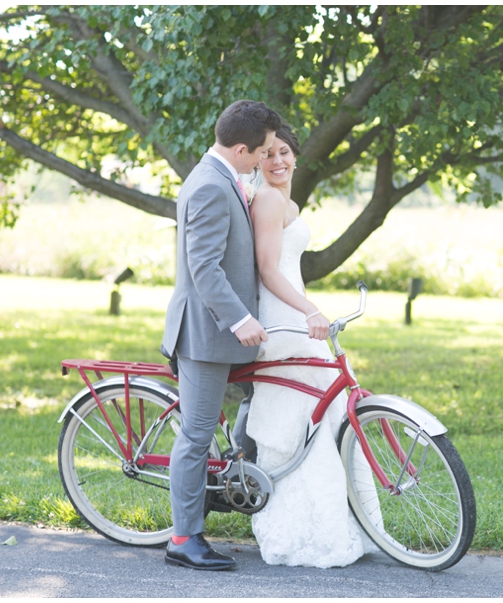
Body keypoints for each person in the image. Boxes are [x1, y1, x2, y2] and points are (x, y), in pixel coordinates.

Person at [242, 123, 377, 568]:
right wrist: (309, 310)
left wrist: (308, 310)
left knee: (327, 416)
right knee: (300, 422)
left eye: (285, 152)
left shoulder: (287, 200)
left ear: (296, 155)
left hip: (295, 314)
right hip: (282, 321)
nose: (278, 161)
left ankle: (342, 521)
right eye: (268, 154)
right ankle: (302, 527)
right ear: (256, 158)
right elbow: (268, 271)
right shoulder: (266, 199)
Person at [160, 100, 283, 571]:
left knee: (258, 401)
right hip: (206, 333)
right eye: (262, 152)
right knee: (194, 436)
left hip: (223, 331)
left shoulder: (226, 176)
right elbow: (204, 268)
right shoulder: (210, 185)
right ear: (240, 148)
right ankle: (184, 539)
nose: (266, 160)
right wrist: (239, 319)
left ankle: (233, 484)